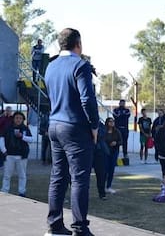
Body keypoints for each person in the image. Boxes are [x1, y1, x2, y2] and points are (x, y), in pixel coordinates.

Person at [44, 28, 99, 236]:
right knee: (79, 179)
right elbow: (87, 99)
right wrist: (94, 125)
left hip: (54, 124)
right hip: (75, 127)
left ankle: (55, 225)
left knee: (58, 176)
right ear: (79, 43)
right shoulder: (80, 65)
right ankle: (79, 228)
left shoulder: (51, 66)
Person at [0, 111, 34, 196]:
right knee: (7, 175)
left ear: (22, 120)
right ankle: (5, 191)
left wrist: (22, 136)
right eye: (16, 118)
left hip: (22, 155)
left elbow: (31, 140)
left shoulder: (25, 128)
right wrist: (4, 151)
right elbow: (1, 139)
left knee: (22, 175)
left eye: (20, 118)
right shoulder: (7, 128)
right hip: (9, 155)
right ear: (13, 119)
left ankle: (22, 192)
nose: (18, 120)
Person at [103, 117, 122, 194]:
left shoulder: (117, 131)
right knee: (105, 170)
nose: (112, 123)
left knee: (111, 170)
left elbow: (121, 141)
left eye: (113, 121)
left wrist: (116, 143)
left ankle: (109, 186)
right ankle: (102, 186)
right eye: (110, 121)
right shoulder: (104, 131)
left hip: (114, 152)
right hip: (105, 152)